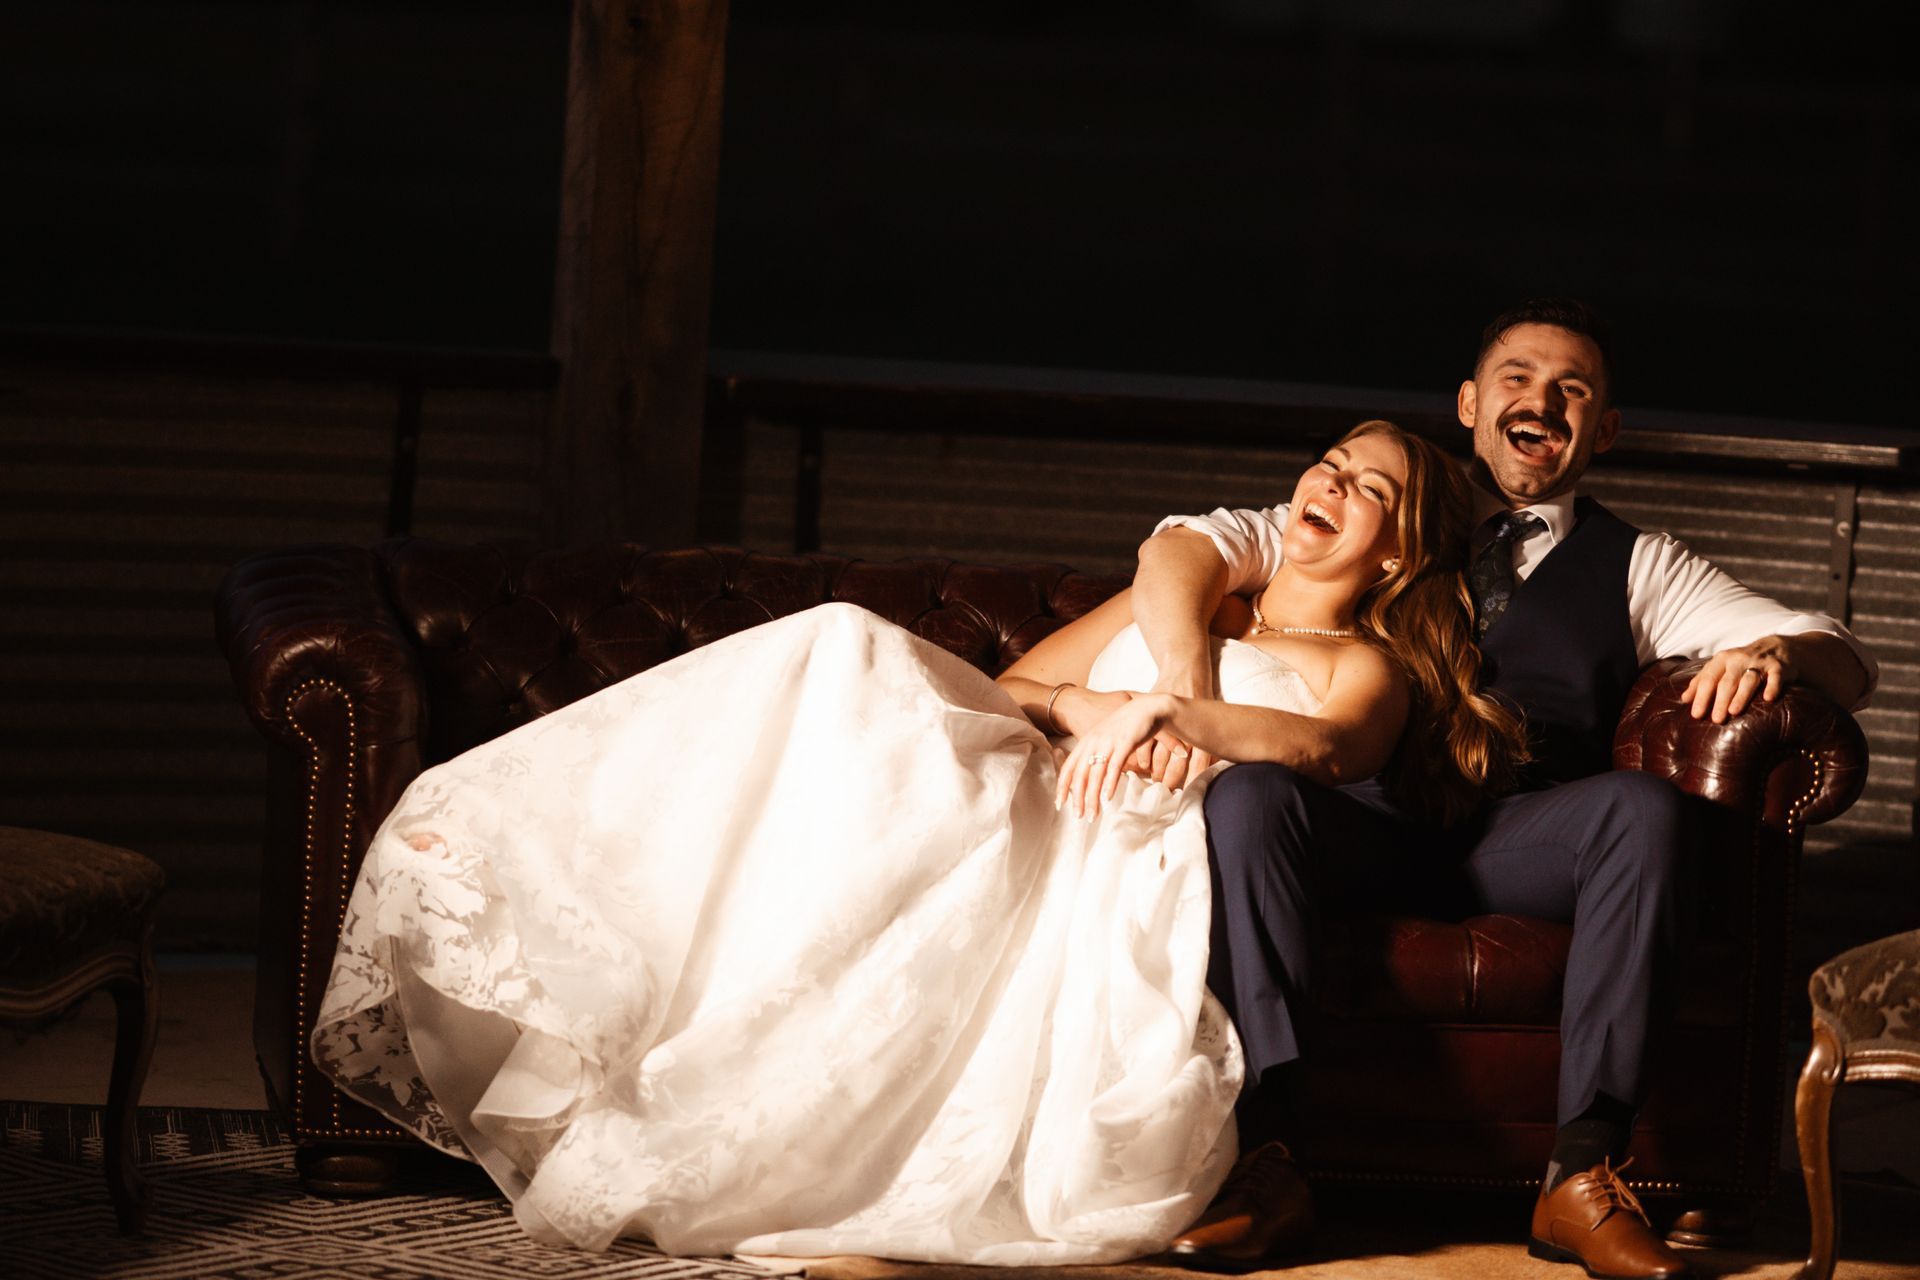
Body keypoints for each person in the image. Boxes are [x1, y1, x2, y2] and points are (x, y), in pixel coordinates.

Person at [309, 420, 1523, 1264]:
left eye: (1367, 485)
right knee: (841, 643)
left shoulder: (1359, 663)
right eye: (1326, 463)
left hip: (1123, 838)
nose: (1330, 481)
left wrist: (1172, 709)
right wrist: (1104, 703)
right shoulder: (1199, 600)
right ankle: (519, 857)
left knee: (846, 649)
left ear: (1400, 546)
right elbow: (1016, 685)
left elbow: (1329, 751)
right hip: (1042, 773)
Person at [1136, 300, 1877, 1279]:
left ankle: (1581, 1168)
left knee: (1644, 807)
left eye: (1574, 390)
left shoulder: (1640, 563)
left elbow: (1847, 655)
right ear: (1471, 402)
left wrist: (1775, 647)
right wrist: (1181, 687)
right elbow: (1187, 544)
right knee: (1250, 796)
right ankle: (1270, 1155)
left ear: (1603, 429)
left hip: (1520, 830)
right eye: (1519, 378)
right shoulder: (1389, 505)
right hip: (1363, 812)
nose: (1543, 400)